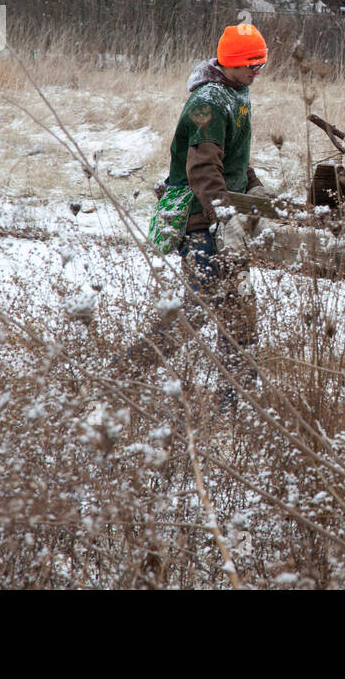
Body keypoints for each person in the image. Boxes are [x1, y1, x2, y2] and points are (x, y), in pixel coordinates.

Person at [133, 23, 270, 407]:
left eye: (262, 63)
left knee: (240, 314)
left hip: (227, 222)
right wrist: (225, 217)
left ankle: (235, 400)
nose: (257, 71)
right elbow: (203, 170)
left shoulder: (237, 92)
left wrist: (254, 187)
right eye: (251, 64)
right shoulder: (208, 103)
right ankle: (127, 376)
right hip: (201, 221)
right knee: (195, 313)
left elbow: (232, 159)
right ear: (231, 62)